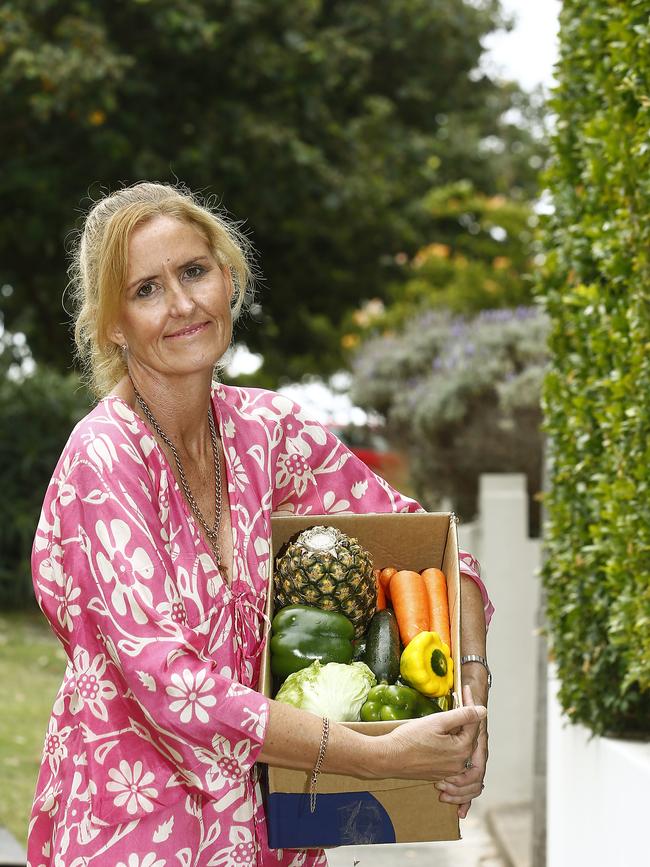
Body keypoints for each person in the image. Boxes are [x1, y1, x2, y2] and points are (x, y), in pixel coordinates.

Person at [29, 182, 493, 866]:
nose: (184, 304)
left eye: (194, 271)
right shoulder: (105, 459)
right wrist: (375, 755)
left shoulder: (268, 432)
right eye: (147, 289)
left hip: (270, 835)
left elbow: (437, 551)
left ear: (228, 276)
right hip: (134, 835)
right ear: (113, 324)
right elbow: (170, 683)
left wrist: (470, 706)